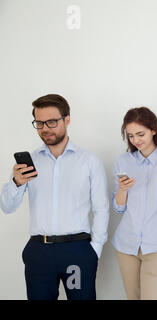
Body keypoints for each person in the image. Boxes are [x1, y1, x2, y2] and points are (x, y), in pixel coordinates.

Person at [0, 94, 109, 300]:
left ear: (67, 120)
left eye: (51, 122)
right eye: (39, 123)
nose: (45, 128)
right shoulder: (30, 162)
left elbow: (101, 208)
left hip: (77, 251)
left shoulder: (89, 161)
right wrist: (16, 183)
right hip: (39, 252)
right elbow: (6, 207)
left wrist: (94, 250)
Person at [111, 107, 157, 300]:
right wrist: (122, 190)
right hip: (126, 245)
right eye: (130, 136)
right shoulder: (122, 162)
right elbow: (119, 208)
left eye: (140, 134)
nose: (136, 140)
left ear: (154, 130)